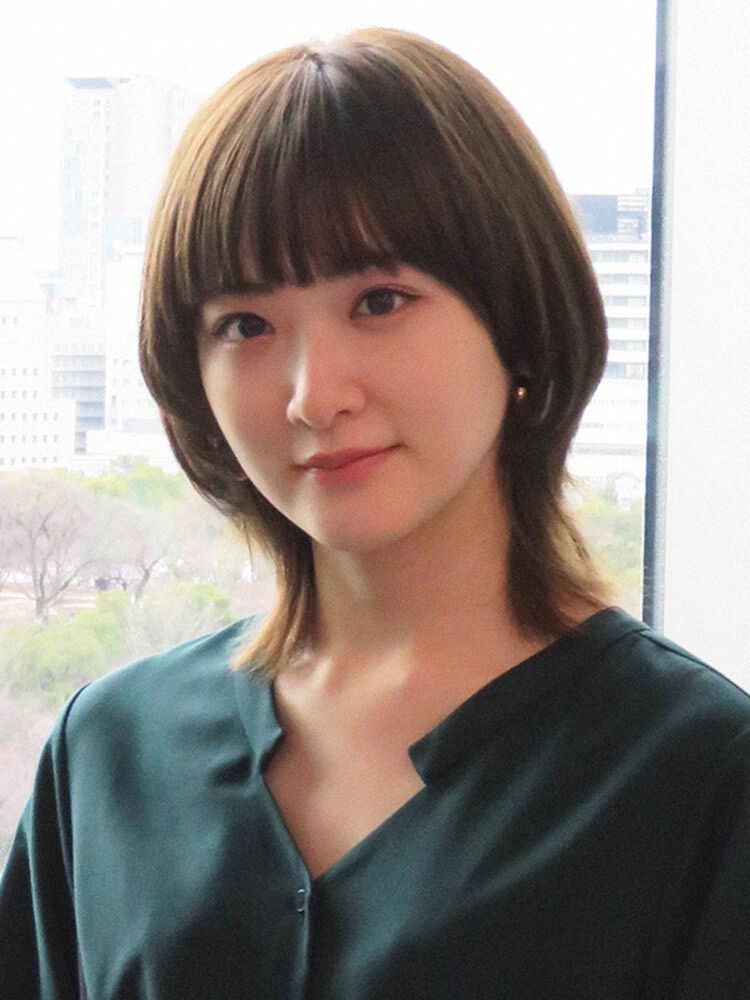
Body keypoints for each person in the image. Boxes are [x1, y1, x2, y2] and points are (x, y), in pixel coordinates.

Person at [1, 26, 749, 1000]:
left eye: (381, 301)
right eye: (245, 324)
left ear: (518, 324)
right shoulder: (110, 753)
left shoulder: (698, 775)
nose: (313, 395)